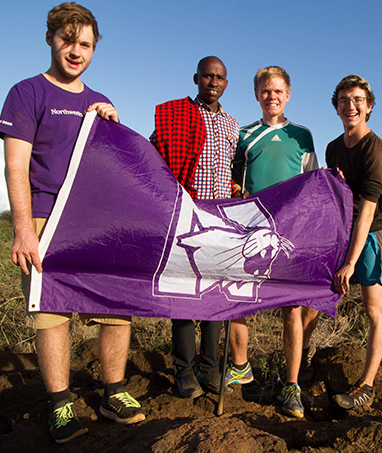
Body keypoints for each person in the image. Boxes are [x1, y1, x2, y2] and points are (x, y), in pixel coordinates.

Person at [0, 2, 144, 444]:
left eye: (84, 43)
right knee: (51, 315)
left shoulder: (100, 103)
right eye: (67, 40)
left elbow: (119, 170)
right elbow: (15, 168)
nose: (75, 50)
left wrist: (113, 128)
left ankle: (112, 392)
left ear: (94, 48)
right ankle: (60, 403)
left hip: (96, 224)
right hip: (45, 219)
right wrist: (24, 229)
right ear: (50, 39)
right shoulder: (27, 93)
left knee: (116, 309)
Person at [225, 66, 317, 418]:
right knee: (238, 300)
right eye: (265, 91)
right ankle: (240, 366)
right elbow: (233, 180)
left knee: (292, 308)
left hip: (290, 235)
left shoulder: (302, 136)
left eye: (278, 91)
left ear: (288, 94)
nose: (272, 96)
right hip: (250, 231)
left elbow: (313, 187)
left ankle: (291, 385)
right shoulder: (245, 135)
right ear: (257, 95)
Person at [149, 56, 240, 399]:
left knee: (216, 294)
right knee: (185, 294)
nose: (213, 82)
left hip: (220, 219)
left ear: (225, 83)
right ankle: (184, 371)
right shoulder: (176, 116)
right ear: (196, 78)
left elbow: (232, 171)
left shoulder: (233, 125)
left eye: (219, 77)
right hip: (186, 214)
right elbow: (154, 156)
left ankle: (211, 367)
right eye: (207, 76)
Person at [303, 74, 382, 409]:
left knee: (373, 309)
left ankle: (366, 387)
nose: (350, 106)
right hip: (341, 235)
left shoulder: (375, 150)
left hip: (370, 240)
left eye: (357, 100)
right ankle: (300, 363)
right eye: (343, 100)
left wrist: (351, 262)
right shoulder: (333, 148)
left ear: (368, 107)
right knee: (314, 301)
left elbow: (367, 214)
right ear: (336, 107)